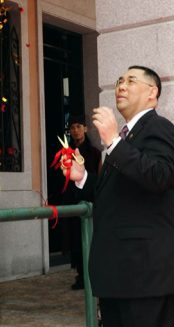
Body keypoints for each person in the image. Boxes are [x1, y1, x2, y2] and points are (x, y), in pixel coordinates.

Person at [61, 66, 174, 326]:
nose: (121, 85)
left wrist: (113, 143)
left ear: (152, 92)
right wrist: (82, 178)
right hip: (122, 275)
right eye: (120, 80)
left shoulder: (160, 128)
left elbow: (159, 177)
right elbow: (114, 196)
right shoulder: (126, 136)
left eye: (131, 81)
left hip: (147, 275)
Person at [65, 114, 101, 290]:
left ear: (85, 129)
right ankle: (81, 275)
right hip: (72, 200)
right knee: (76, 240)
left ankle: (91, 275)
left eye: (79, 126)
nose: (75, 130)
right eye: (72, 127)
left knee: (90, 238)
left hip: (89, 201)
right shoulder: (66, 152)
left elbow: (98, 177)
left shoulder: (94, 153)